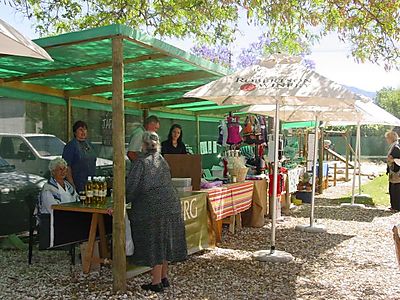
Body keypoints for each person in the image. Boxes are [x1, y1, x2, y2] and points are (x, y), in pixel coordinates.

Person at [126, 131, 187, 293]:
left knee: (156, 243)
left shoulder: (141, 163)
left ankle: (156, 282)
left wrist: (121, 201)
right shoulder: (162, 160)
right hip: (171, 205)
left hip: (153, 209)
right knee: (165, 242)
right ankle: (164, 277)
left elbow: (131, 188)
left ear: (143, 145)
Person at [62, 121, 97, 192]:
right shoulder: (71, 146)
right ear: (75, 132)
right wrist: (72, 185)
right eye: (80, 129)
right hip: (77, 183)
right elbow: (67, 166)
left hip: (91, 183)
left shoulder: (89, 145)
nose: (83, 132)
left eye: (85, 129)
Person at [386, 130, 400, 211]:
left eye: (387, 138)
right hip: (393, 172)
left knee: (396, 190)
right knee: (392, 189)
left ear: (391, 138)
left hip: (397, 173)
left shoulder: (396, 147)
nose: (387, 140)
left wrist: (393, 160)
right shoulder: (393, 146)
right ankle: (394, 206)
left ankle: (397, 206)